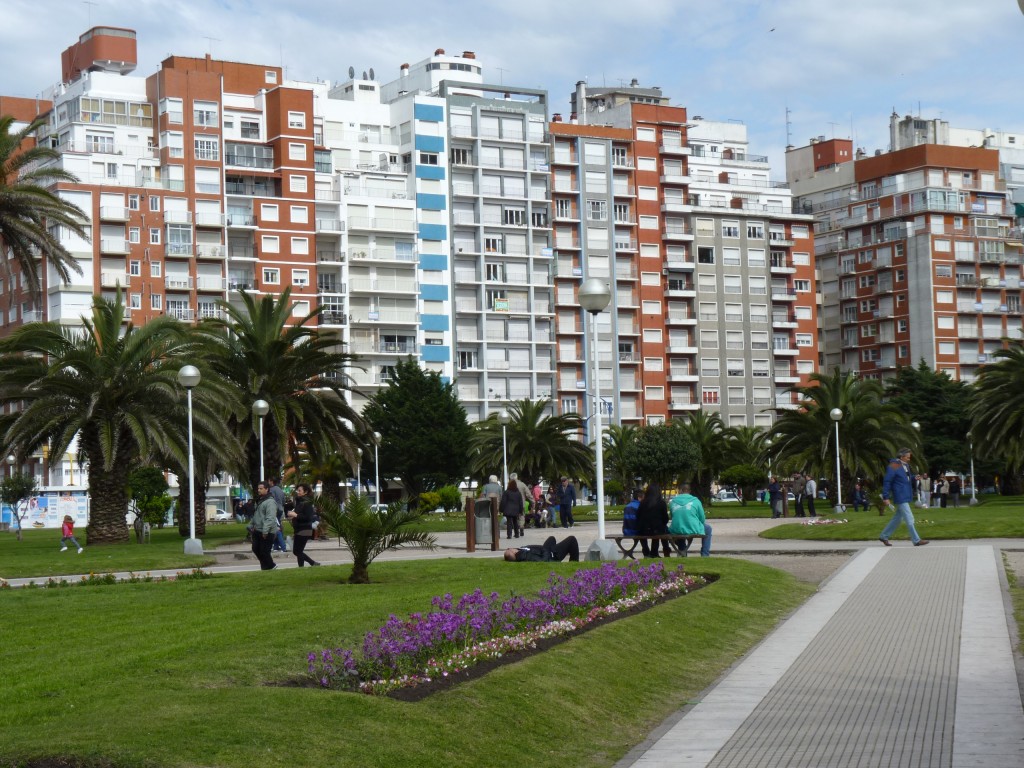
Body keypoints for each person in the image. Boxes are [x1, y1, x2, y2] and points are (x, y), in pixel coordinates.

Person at [879, 449, 928, 547]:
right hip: (900, 495)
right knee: (909, 518)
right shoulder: (894, 465)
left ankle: (884, 536)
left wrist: (914, 477)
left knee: (897, 518)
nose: (909, 459)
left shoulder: (904, 465)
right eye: (907, 457)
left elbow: (905, 478)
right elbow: (887, 481)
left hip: (904, 495)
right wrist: (885, 497)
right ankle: (916, 540)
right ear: (901, 457)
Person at [668, 482, 712, 557]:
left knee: (680, 529)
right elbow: (702, 518)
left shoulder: (673, 502)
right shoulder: (696, 501)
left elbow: (672, 517)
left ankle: (682, 551)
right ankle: (705, 554)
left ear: (680, 490)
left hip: (676, 529)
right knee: (708, 529)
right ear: (689, 491)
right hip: (692, 528)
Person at [286, 483, 320, 567]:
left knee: (297, 551)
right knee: (299, 550)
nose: (298, 492)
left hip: (304, 529)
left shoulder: (307, 502)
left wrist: (295, 515)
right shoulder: (300, 501)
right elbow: (299, 514)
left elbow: (308, 517)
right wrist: (293, 516)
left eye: (300, 490)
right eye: (297, 490)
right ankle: (301, 567)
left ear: (306, 492)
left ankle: (312, 563)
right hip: (299, 528)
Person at [250, 481, 282, 569]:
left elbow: (270, 518)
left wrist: (265, 531)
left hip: (267, 531)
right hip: (257, 530)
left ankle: (271, 566)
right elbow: (257, 515)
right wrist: (251, 525)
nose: (259, 490)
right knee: (255, 549)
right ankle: (266, 566)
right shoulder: (260, 501)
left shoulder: (270, 502)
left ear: (267, 489)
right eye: (258, 488)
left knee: (264, 551)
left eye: (261, 488)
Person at [636, 482, 672, 557]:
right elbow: (665, 519)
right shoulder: (661, 503)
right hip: (657, 530)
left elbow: (638, 516)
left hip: (644, 530)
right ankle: (658, 551)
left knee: (650, 528)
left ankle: (646, 551)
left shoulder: (643, 503)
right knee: (660, 530)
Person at [503, 535, 580, 562]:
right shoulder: (524, 556)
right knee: (571, 539)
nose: (510, 547)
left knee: (551, 538)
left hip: (545, 551)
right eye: (509, 549)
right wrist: (546, 550)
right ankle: (574, 563)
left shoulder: (521, 551)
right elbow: (543, 560)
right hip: (552, 556)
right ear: (513, 553)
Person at [268, 477, 288, 554]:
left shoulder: (272, 490)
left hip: (274, 510)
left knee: (277, 529)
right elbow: (283, 501)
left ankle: (283, 547)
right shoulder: (280, 490)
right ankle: (276, 546)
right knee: (277, 526)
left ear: (271, 482)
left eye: (269, 481)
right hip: (280, 509)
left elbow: (271, 500)